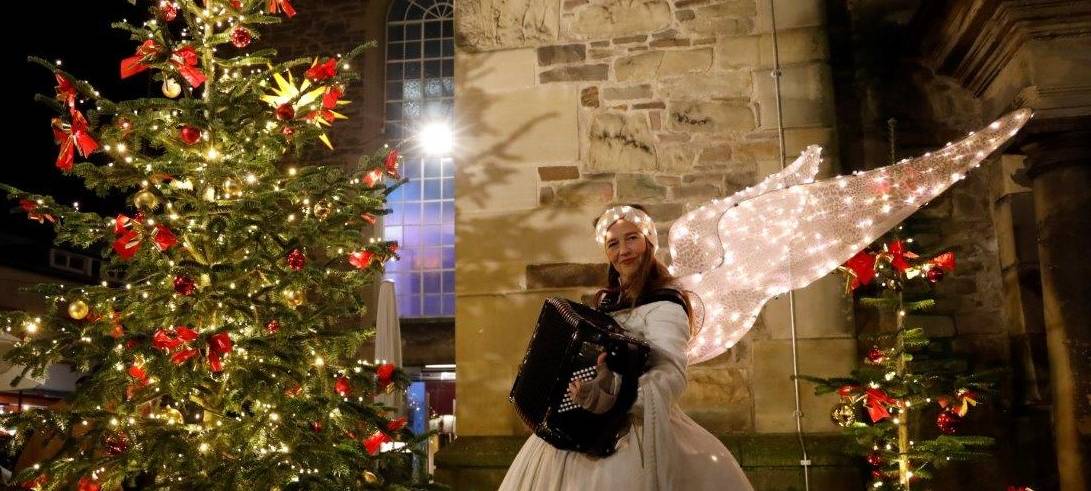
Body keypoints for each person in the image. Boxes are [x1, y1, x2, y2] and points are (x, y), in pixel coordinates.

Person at [500, 205, 753, 490]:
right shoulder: (606, 305)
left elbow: (670, 377)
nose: (624, 250)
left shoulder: (666, 304)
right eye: (613, 243)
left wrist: (614, 396)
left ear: (649, 241)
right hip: (586, 428)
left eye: (632, 238)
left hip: (636, 430)